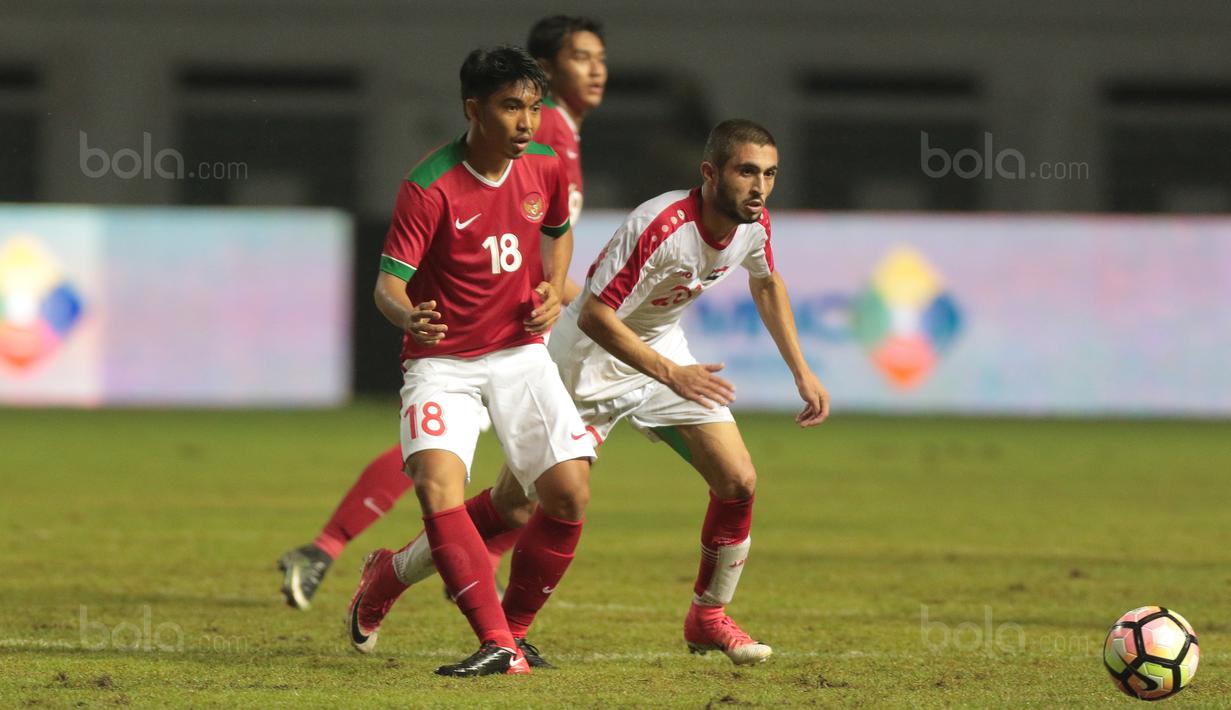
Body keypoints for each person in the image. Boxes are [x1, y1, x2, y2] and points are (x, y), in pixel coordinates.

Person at [390, 119, 830, 666]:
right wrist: (671, 373)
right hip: (588, 362)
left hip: (664, 355)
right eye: (746, 172)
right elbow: (596, 317)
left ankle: (707, 617)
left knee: (738, 480)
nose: (759, 187)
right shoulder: (663, 225)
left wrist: (801, 370)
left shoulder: (753, 222)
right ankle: (389, 575)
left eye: (769, 174)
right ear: (710, 172)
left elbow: (766, 282)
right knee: (517, 506)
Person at [276, 15, 607, 612]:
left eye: (599, 56)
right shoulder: (541, 132)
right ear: (547, 72)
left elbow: (552, 231)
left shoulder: (560, 142)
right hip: (498, 331)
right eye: (581, 57)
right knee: (458, 469)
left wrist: (557, 286)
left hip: (528, 324)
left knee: (527, 488)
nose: (597, 68)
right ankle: (440, 584)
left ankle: (405, 569)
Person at [345, 45, 595, 677]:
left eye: (535, 108)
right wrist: (408, 316)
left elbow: (559, 230)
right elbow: (386, 287)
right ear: (473, 108)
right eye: (512, 107)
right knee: (438, 489)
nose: (527, 123)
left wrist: (551, 287)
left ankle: (389, 576)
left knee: (564, 497)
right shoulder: (429, 186)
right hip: (443, 363)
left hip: (519, 354)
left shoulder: (544, 166)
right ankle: (499, 644)